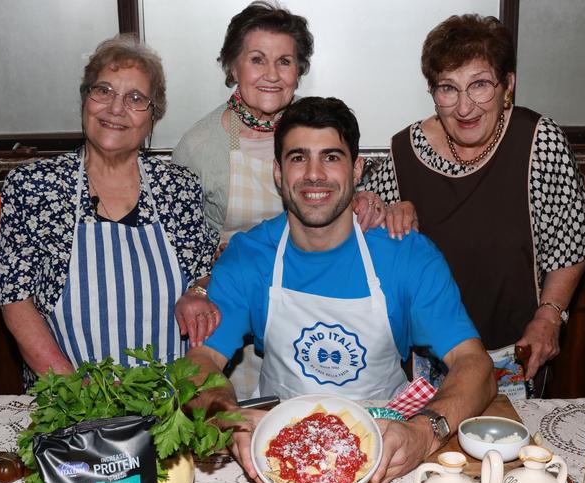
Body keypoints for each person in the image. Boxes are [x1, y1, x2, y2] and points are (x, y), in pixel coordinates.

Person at [185, 96, 496, 483]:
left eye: (331, 157)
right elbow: (199, 365)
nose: (314, 174)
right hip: (277, 450)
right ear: (279, 173)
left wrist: (424, 431)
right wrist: (230, 420)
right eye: (298, 158)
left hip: (386, 448)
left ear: (357, 170)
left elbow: (476, 365)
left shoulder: (407, 255)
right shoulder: (250, 256)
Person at [172, 1, 416, 398]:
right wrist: (201, 287)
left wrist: (376, 202)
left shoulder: (316, 127)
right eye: (257, 60)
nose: (271, 75)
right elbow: (180, 247)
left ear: (299, 72)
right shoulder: (200, 146)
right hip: (234, 324)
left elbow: (354, 203)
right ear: (232, 67)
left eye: (284, 61)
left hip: (324, 311)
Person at [372, 14, 585, 391]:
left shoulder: (538, 140)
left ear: (507, 84)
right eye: (448, 88)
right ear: (432, 91)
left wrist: (548, 318)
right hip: (430, 361)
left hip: (514, 354)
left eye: (480, 85)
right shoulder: (404, 151)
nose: (464, 108)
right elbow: (361, 231)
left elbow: (571, 244)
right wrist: (382, 211)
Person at [0, 34, 218, 388]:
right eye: (104, 91)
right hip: (66, 400)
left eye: (136, 99)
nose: (115, 108)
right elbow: (16, 300)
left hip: (167, 402)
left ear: (153, 117)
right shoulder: (36, 186)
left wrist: (198, 293)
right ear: (85, 100)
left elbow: (203, 273)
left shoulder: (178, 187)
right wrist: (78, 395)